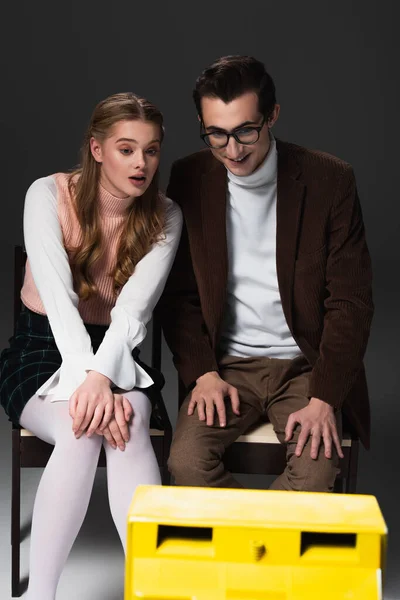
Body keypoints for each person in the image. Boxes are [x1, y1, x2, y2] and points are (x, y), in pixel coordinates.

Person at [158, 55, 373, 492]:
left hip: (305, 364)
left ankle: (249, 551)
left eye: (245, 132)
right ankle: (258, 550)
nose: (232, 150)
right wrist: (202, 374)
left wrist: (325, 397)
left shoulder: (330, 180)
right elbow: (179, 296)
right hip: (225, 367)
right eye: (216, 134)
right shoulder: (189, 176)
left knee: (314, 475)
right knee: (185, 463)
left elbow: (350, 302)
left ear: (272, 116)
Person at [0, 92, 182, 600]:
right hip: (43, 348)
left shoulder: (166, 215)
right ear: (96, 149)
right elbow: (58, 300)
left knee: (128, 422)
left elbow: (134, 310)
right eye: (126, 149)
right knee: (83, 432)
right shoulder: (47, 194)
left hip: (117, 352)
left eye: (150, 150)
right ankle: (41, 594)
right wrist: (87, 379)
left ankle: (148, 589)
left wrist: (102, 376)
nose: (140, 163)